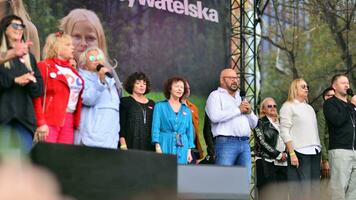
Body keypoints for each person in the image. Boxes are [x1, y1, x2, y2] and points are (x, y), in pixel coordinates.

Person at [205, 68, 258, 181]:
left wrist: (249, 112)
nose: (235, 80)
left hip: (244, 144)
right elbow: (215, 117)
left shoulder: (241, 98)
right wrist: (238, 110)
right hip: (225, 143)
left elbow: (254, 124)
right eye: (231, 78)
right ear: (222, 80)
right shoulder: (215, 96)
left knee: (243, 183)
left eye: (236, 78)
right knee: (224, 182)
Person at [0, 15, 43, 152]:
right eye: (15, 26)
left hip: (24, 120)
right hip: (3, 118)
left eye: (21, 26)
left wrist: (30, 80)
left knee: (23, 167)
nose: (19, 29)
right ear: (5, 29)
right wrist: (14, 81)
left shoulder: (29, 58)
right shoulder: (2, 56)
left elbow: (38, 91)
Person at [32, 32, 84, 144]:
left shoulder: (72, 69)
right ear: (57, 47)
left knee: (62, 158)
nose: (72, 47)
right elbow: (36, 96)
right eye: (68, 44)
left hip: (69, 118)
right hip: (50, 118)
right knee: (46, 156)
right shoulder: (44, 66)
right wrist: (40, 122)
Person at [59, 8, 122, 95]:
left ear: (100, 41)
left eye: (90, 38)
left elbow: (119, 99)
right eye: (77, 36)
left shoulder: (107, 70)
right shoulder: (58, 70)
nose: (83, 43)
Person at [279, 78, 321, 200]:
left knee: (315, 190)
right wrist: (291, 153)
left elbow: (314, 132)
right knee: (301, 191)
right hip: (299, 152)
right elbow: (284, 131)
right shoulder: (287, 106)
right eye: (303, 86)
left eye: (307, 86)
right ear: (295, 89)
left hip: (315, 152)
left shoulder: (310, 108)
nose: (306, 88)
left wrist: (319, 152)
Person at [74, 47, 120, 149]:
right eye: (91, 58)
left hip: (110, 139)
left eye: (99, 57)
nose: (96, 59)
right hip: (90, 138)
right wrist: (100, 80)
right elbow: (87, 99)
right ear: (84, 64)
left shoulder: (111, 79)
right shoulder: (81, 78)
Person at [323, 74, 356, 200]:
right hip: (340, 151)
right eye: (343, 83)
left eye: (347, 83)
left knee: (353, 191)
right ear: (334, 86)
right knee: (338, 190)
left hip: (354, 150)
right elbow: (337, 120)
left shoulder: (350, 104)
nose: (347, 85)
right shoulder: (330, 104)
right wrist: (351, 105)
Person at [152, 77, 195, 164]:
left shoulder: (187, 110)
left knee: (181, 172)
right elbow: (155, 127)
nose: (179, 89)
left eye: (182, 87)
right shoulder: (160, 106)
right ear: (170, 88)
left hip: (183, 145)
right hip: (165, 142)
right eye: (176, 86)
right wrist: (157, 146)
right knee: (164, 170)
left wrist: (189, 151)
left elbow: (189, 132)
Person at [254, 97, 287, 200]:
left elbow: (288, 139)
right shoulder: (259, 122)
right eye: (269, 106)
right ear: (263, 109)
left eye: (274, 106)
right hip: (266, 162)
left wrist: (285, 153)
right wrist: (278, 155)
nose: (273, 108)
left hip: (283, 162)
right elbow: (261, 142)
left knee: (282, 195)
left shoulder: (282, 122)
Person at [119, 72, 155, 151]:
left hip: (149, 146)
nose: (142, 86)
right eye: (138, 83)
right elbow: (121, 126)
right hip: (130, 145)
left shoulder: (152, 104)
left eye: (144, 84)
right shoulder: (125, 102)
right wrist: (123, 144)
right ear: (132, 85)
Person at [181, 80, 205, 163]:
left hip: (192, 148)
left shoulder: (193, 107)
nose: (188, 90)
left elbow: (196, 129)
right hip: (179, 147)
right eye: (185, 88)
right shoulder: (172, 106)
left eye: (189, 88)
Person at [317, 87, 335, 179]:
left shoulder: (339, 111)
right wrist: (325, 160)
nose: (332, 97)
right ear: (324, 97)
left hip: (339, 153)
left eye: (334, 95)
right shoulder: (322, 113)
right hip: (328, 153)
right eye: (329, 95)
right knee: (327, 185)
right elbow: (320, 137)